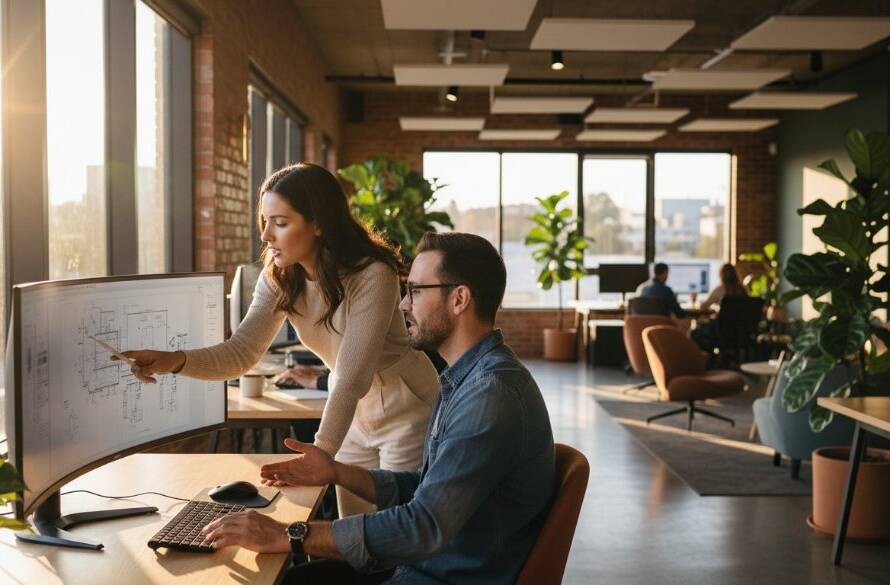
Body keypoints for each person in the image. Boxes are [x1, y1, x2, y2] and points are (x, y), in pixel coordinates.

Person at [201, 232, 556, 585]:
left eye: (416, 291)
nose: (403, 305)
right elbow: (424, 488)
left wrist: (289, 533)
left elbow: (422, 527)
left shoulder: (488, 397)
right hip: (426, 566)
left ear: (459, 299)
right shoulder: (468, 378)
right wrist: (336, 472)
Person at [123, 163, 440, 517]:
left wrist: (320, 452)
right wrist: (173, 361)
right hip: (351, 414)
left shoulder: (372, 274)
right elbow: (241, 352)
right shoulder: (280, 278)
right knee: (356, 534)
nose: (265, 235)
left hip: (405, 408)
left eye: (280, 222)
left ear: (318, 223)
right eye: (264, 221)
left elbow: (354, 375)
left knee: (397, 529)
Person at [691, 263, 749, 352]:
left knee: (694, 333)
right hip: (740, 334)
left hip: (721, 333)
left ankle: (709, 360)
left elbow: (703, 306)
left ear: (721, 275)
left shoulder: (721, 289)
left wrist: (697, 301)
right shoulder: (742, 290)